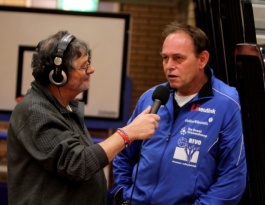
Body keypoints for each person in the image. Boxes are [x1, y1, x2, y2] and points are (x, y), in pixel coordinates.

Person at [7, 31, 160, 205]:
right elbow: (78, 164)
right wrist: (127, 134)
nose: (91, 70)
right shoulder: (35, 111)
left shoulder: (64, 107)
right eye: (84, 66)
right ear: (59, 76)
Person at [111, 21, 247, 204]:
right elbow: (123, 152)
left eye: (178, 58)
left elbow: (232, 179)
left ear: (202, 60)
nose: (169, 66)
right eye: (165, 58)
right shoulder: (151, 98)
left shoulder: (226, 103)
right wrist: (123, 194)